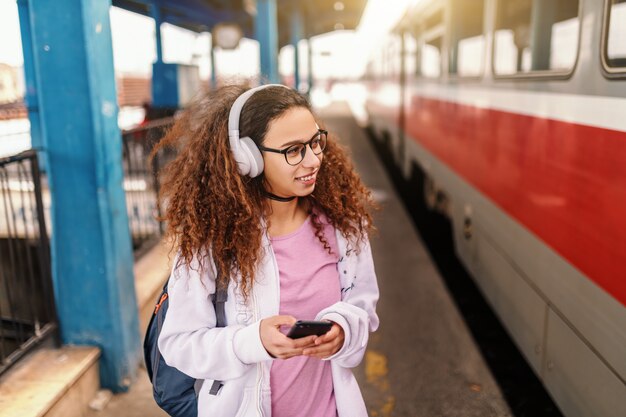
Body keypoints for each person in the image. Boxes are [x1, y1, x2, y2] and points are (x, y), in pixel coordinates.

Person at [154, 83, 379, 417]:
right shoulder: (214, 243)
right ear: (249, 158)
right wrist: (252, 342)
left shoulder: (343, 226)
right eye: (293, 150)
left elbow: (363, 306)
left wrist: (344, 330)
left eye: (316, 142)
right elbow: (178, 344)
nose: (314, 159)